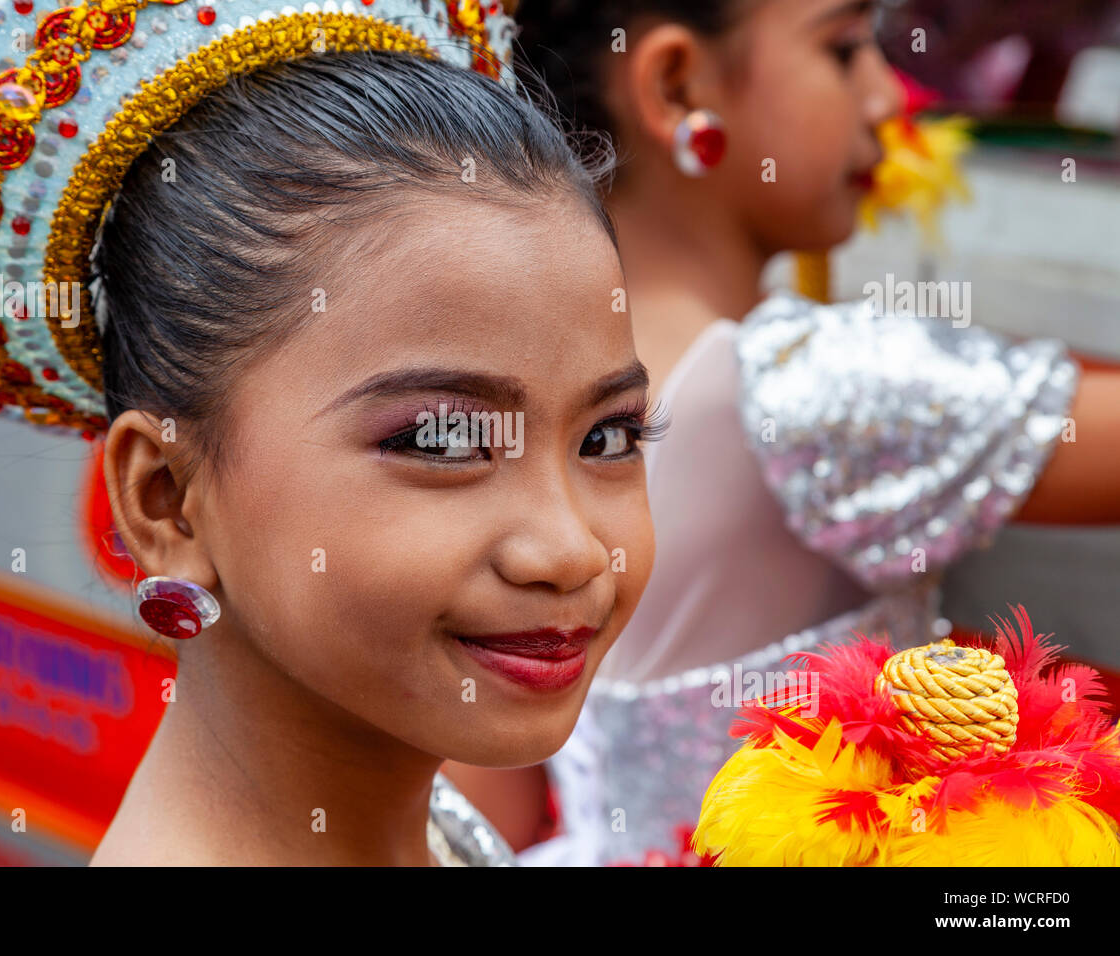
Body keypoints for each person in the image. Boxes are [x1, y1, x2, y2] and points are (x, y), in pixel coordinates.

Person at [0, 1, 660, 865]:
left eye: (608, 438)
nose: (572, 550)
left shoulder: (431, 832)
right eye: (440, 441)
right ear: (166, 501)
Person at [441, 0, 1120, 864]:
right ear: (675, 83)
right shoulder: (803, 383)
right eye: (843, 51)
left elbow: (481, 787)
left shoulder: (508, 381)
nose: (889, 99)